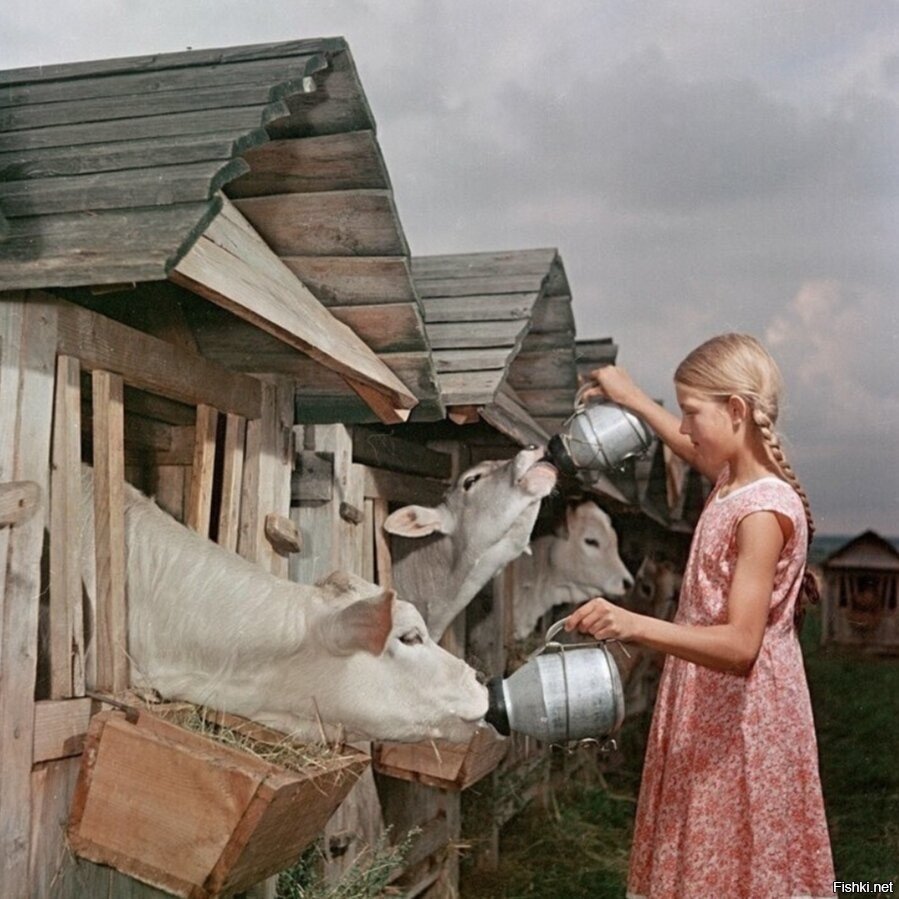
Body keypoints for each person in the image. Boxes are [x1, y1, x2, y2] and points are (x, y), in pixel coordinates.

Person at [567, 333, 835, 899]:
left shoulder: (762, 512)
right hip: (709, 705)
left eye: (691, 413)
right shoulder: (735, 482)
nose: (684, 429)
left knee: (741, 866)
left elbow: (741, 645)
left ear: (736, 412)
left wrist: (633, 624)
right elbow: (696, 452)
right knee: (709, 860)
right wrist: (636, 398)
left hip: (743, 721)